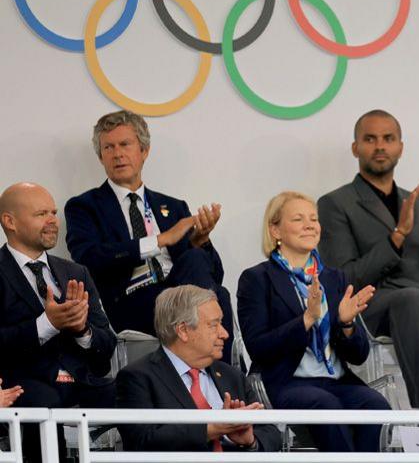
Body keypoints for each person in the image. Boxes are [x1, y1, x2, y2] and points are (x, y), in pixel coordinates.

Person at [64, 110, 233, 361]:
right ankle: (221, 377)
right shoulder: (85, 206)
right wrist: (159, 241)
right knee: (212, 299)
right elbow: (89, 259)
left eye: (125, 144)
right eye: (108, 147)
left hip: (180, 299)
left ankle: (217, 376)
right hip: (131, 301)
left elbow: (215, 274)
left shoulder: (173, 207)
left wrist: (200, 242)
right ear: (101, 157)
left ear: (144, 151)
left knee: (211, 281)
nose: (117, 153)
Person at [317, 109, 419, 409]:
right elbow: (344, 278)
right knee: (411, 298)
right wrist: (397, 237)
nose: (380, 146)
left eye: (388, 139)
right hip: (372, 306)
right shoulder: (334, 204)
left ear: (400, 147)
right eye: (370, 139)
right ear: (356, 148)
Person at [238, 191, 389, 452]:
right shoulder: (256, 279)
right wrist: (307, 319)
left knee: (377, 406)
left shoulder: (335, 278)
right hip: (287, 382)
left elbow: (360, 355)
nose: (310, 225)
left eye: (313, 219)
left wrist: (346, 324)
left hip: (337, 381)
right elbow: (258, 347)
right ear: (275, 230)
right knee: (325, 406)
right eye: (298, 219)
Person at [0, 182, 116, 462]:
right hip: (25, 385)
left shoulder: (75, 271)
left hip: (82, 381)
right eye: (42, 214)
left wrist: (82, 330)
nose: (53, 220)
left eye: (53, 212)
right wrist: (47, 324)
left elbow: (106, 345)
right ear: (10, 221)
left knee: (139, 388)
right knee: (42, 403)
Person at [116, 285, 280, 452]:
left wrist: (250, 441)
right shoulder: (138, 377)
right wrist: (211, 429)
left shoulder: (231, 375)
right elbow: (142, 441)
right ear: (183, 331)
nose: (224, 334)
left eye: (221, 323)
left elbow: (271, 433)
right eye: (214, 325)